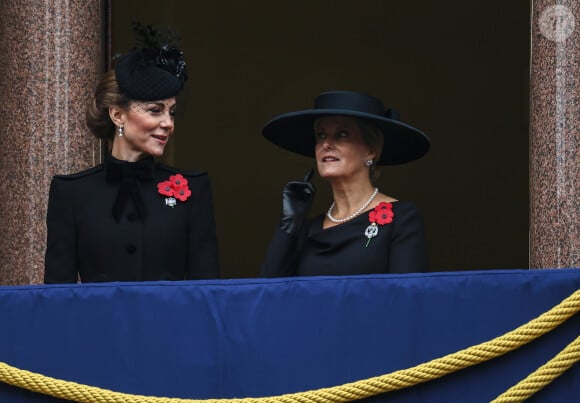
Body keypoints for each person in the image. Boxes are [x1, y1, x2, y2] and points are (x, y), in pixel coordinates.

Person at [44, 25, 219, 283]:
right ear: (117, 115)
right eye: (155, 110)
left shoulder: (195, 190)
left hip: (171, 324)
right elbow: (57, 298)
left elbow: (207, 293)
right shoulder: (71, 193)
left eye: (171, 112)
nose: (168, 123)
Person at [261, 90, 430, 276]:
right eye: (321, 135)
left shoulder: (402, 218)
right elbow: (269, 291)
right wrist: (290, 224)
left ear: (370, 150)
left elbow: (407, 296)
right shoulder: (306, 229)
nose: (326, 144)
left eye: (342, 134)